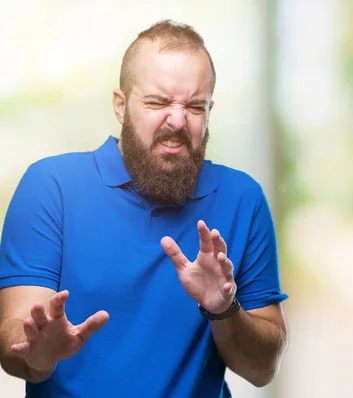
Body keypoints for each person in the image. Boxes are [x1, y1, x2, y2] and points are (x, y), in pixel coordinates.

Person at [0, 19, 289, 397]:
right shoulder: (50, 187)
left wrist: (224, 308)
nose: (177, 119)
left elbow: (263, 369)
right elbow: (13, 336)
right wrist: (38, 353)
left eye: (195, 106)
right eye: (158, 101)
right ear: (120, 105)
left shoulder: (243, 198)